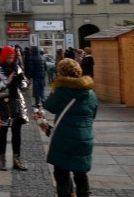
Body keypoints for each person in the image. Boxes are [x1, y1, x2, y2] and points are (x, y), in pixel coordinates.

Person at [43, 58, 98, 197]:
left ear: (61, 73)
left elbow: (49, 106)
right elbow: (93, 114)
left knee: (61, 172)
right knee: (81, 175)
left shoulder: (62, 91)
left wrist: (55, 88)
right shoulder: (90, 92)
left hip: (65, 138)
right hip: (85, 137)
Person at [0, 45, 29, 171]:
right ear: (3, 57)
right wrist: (8, 80)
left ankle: (16, 159)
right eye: (9, 57)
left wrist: (23, 83)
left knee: (16, 132)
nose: (11, 60)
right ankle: (2, 160)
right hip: (3, 103)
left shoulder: (16, 66)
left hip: (16, 101)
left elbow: (23, 81)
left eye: (13, 57)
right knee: (3, 131)